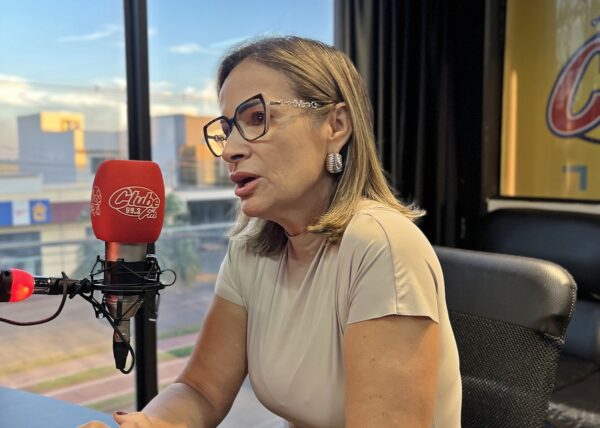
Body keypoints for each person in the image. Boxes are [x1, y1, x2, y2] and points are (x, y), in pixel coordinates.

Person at [81, 36, 461, 428]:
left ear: (336, 125)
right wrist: (148, 424)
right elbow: (201, 389)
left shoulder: (382, 245)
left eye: (257, 118)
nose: (229, 150)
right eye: (228, 128)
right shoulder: (250, 251)